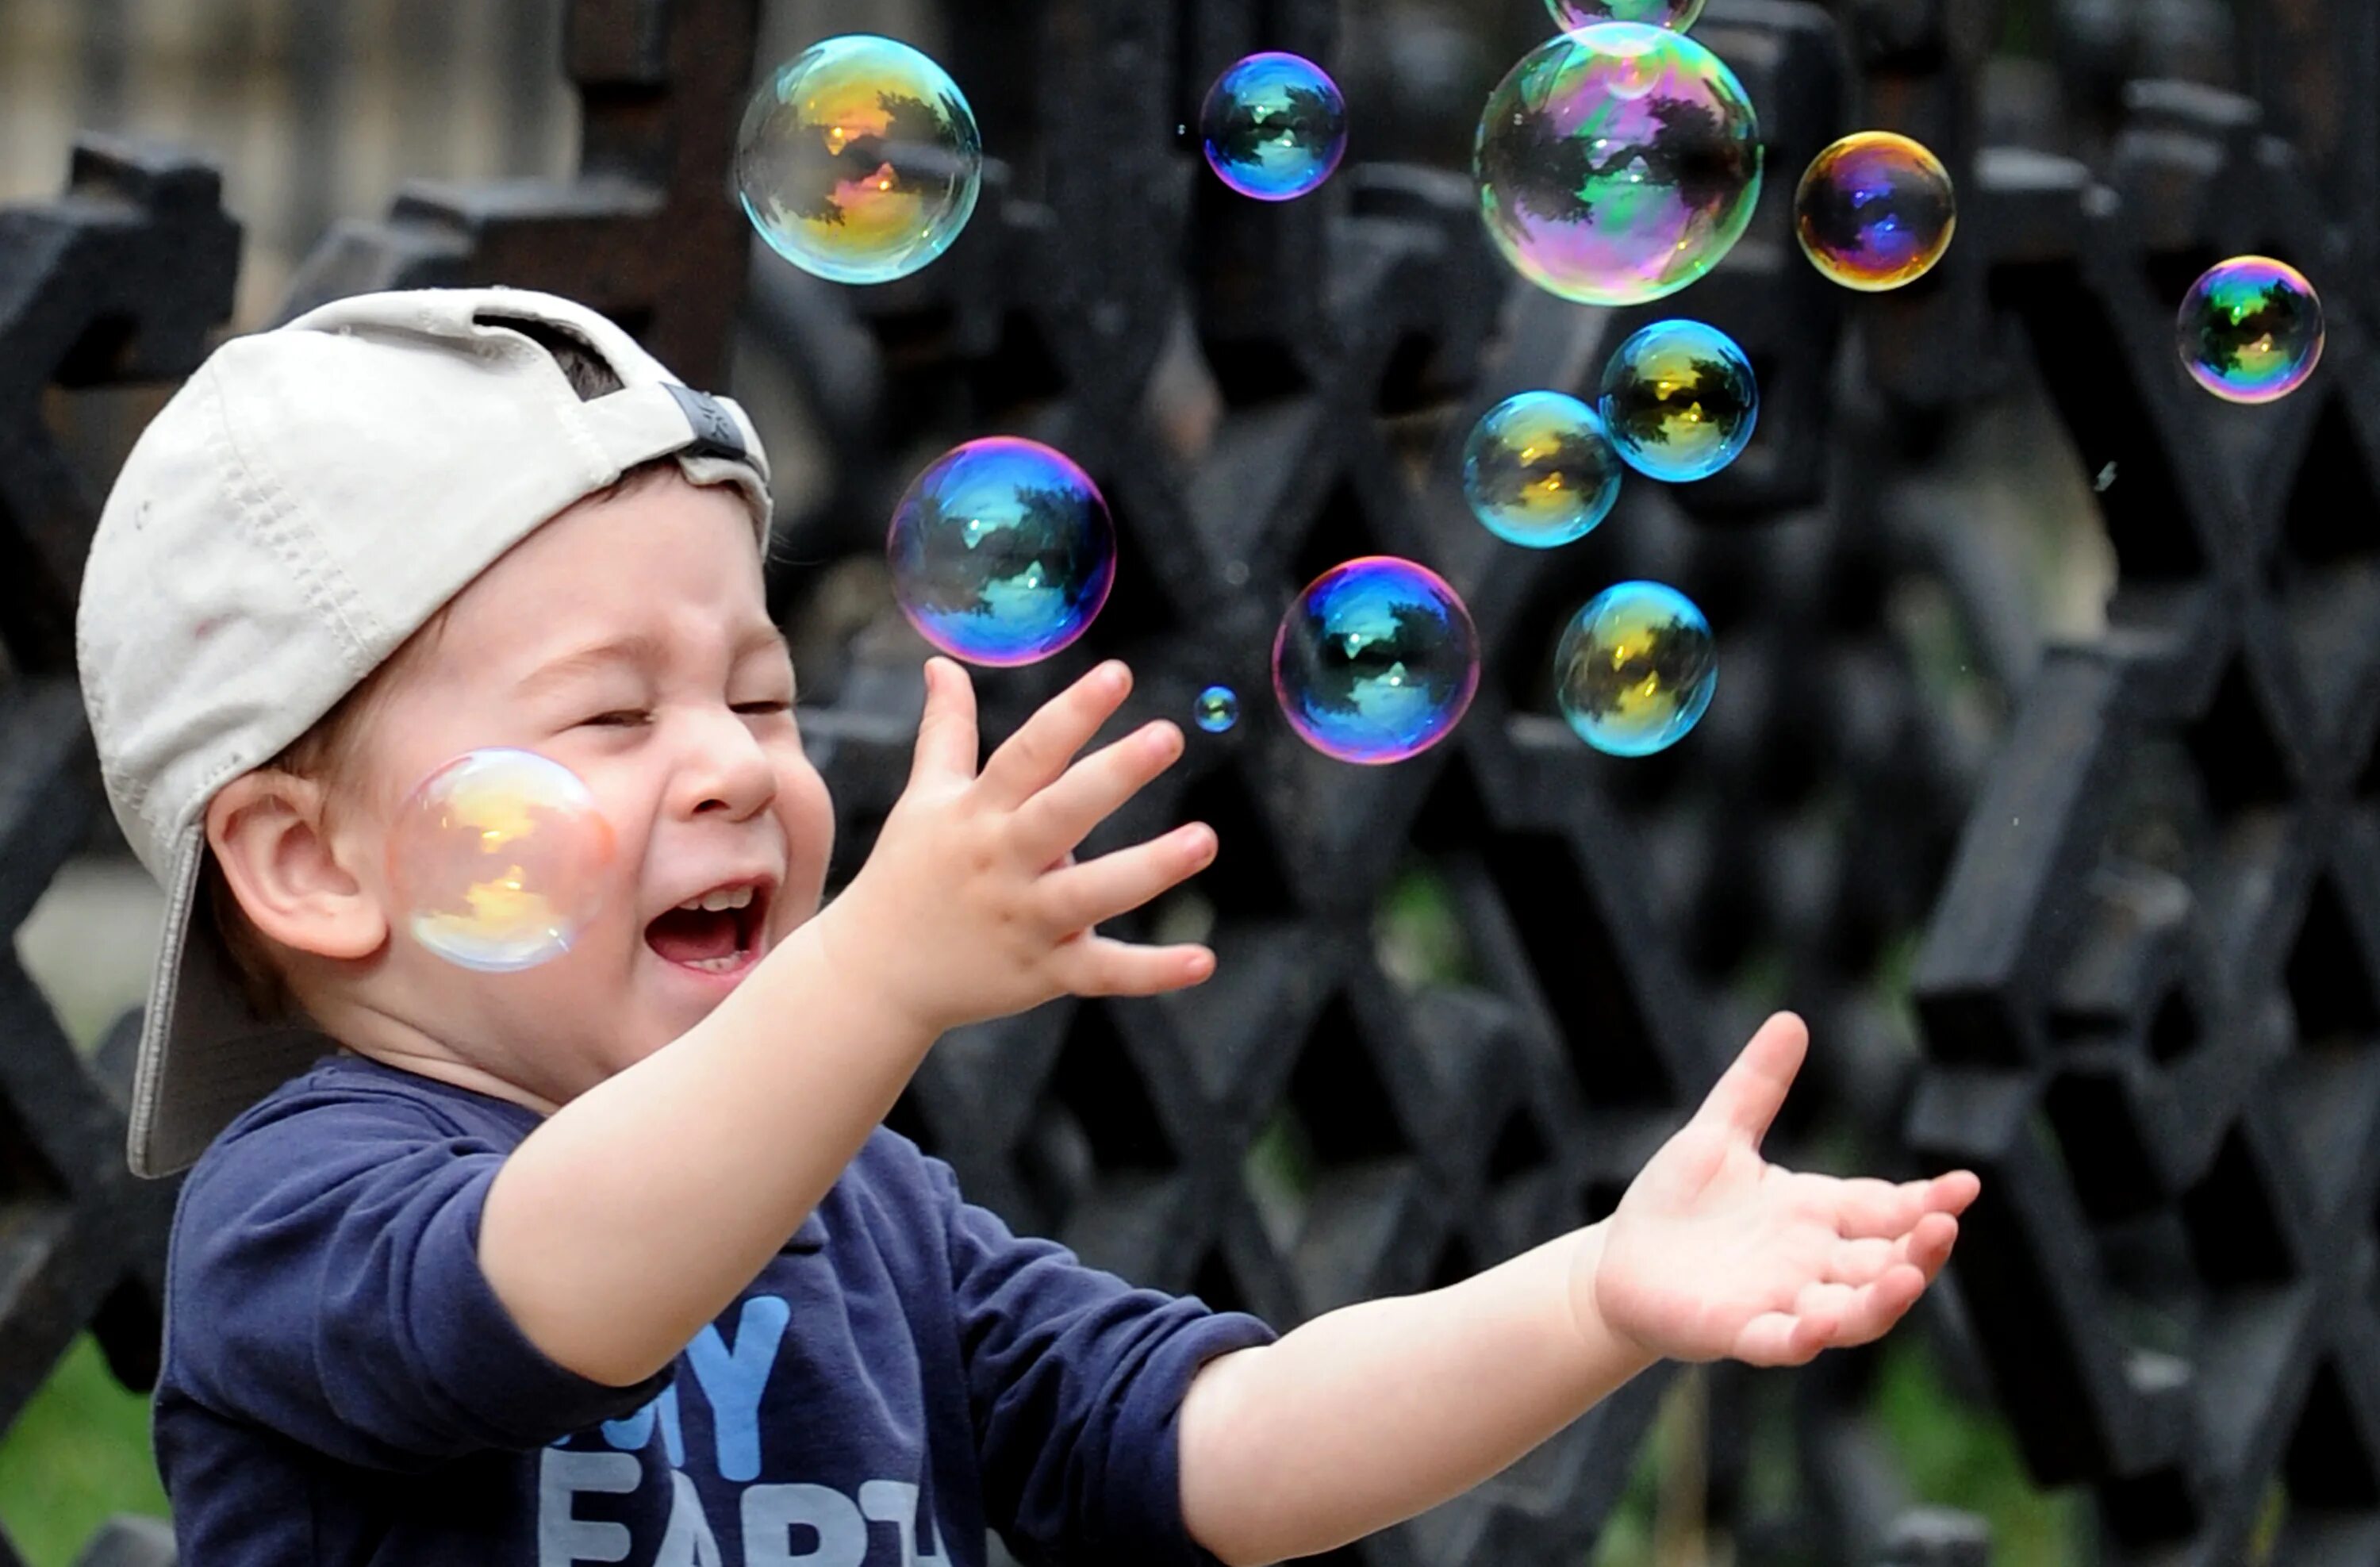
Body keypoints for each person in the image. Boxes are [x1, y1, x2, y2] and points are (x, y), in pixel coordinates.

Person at [74, 286, 1979, 1567]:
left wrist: (1587, 1301)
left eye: (752, 697)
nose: (736, 768)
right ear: (309, 866)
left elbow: (1213, 1452)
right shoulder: (299, 1212)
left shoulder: (864, 1215)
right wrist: (871, 975)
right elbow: (551, 1302)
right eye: (608, 714)